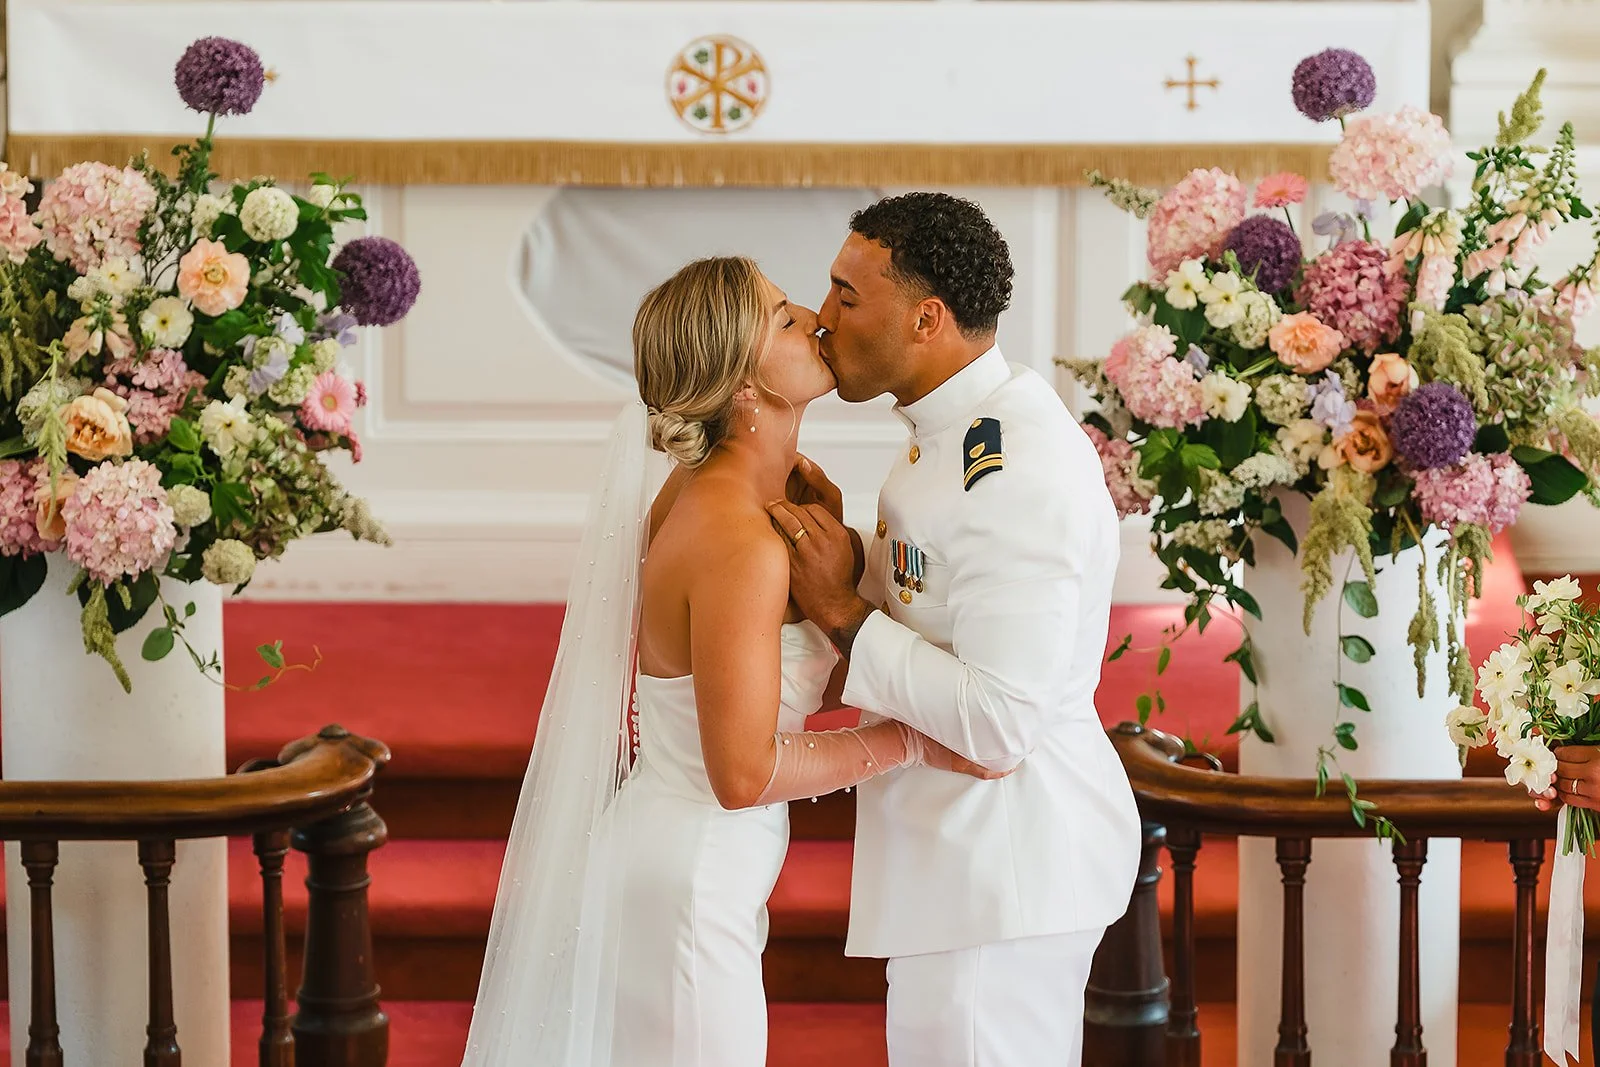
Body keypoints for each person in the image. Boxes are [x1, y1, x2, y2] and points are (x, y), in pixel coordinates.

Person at [461, 255, 992, 1067]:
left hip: (670, 855)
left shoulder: (700, 492)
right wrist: (912, 741)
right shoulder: (740, 539)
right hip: (692, 881)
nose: (815, 318)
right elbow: (741, 772)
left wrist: (835, 568)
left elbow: (752, 682)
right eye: (783, 318)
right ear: (745, 386)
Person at [766, 192, 1143, 1066]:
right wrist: (857, 560)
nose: (822, 320)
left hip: (1003, 864)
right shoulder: (958, 431)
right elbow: (947, 602)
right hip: (967, 862)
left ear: (926, 317)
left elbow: (1003, 719)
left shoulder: (1014, 467)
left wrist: (842, 610)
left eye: (846, 296)